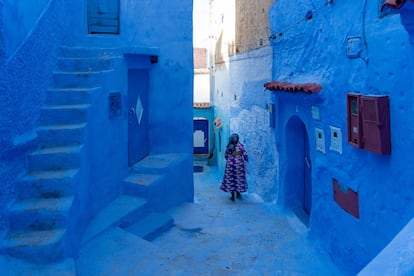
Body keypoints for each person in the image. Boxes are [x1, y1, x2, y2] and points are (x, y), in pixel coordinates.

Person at [220, 133, 249, 201]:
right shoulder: (241, 146)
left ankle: (232, 196)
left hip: (230, 166)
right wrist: (245, 159)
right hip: (239, 166)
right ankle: (238, 193)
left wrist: (230, 159)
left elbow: (226, 156)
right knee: (238, 179)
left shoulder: (229, 146)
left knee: (231, 180)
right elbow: (245, 154)